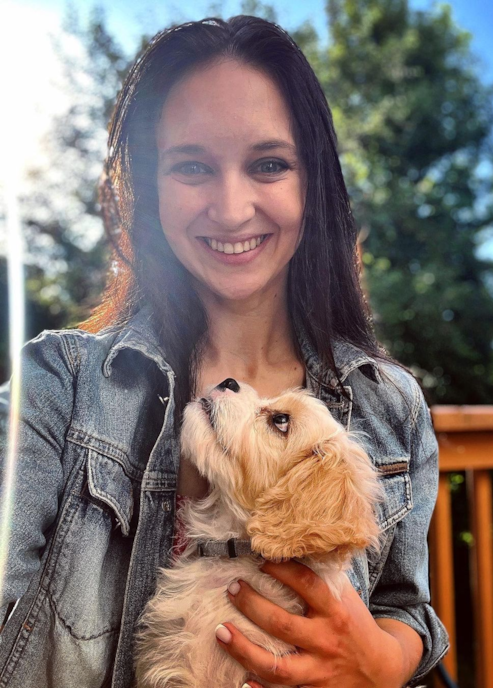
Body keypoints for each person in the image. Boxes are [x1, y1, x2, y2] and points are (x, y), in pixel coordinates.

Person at [0, 15, 449, 688]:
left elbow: (402, 608)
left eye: (268, 164)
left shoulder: (392, 406)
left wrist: (386, 660)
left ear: (313, 183)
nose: (232, 207)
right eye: (193, 166)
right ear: (150, 189)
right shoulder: (55, 389)